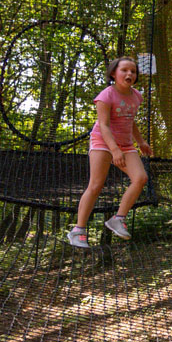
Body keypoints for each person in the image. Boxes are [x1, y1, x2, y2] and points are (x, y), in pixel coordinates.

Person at [67, 57, 151, 248]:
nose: (129, 74)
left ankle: (118, 218)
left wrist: (141, 141)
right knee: (96, 185)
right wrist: (114, 150)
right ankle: (78, 230)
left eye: (133, 71)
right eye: (124, 70)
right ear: (114, 73)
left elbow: (130, 120)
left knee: (140, 178)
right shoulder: (106, 96)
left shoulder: (136, 95)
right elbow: (104, 126)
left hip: (126, 144)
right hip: (103, 142)